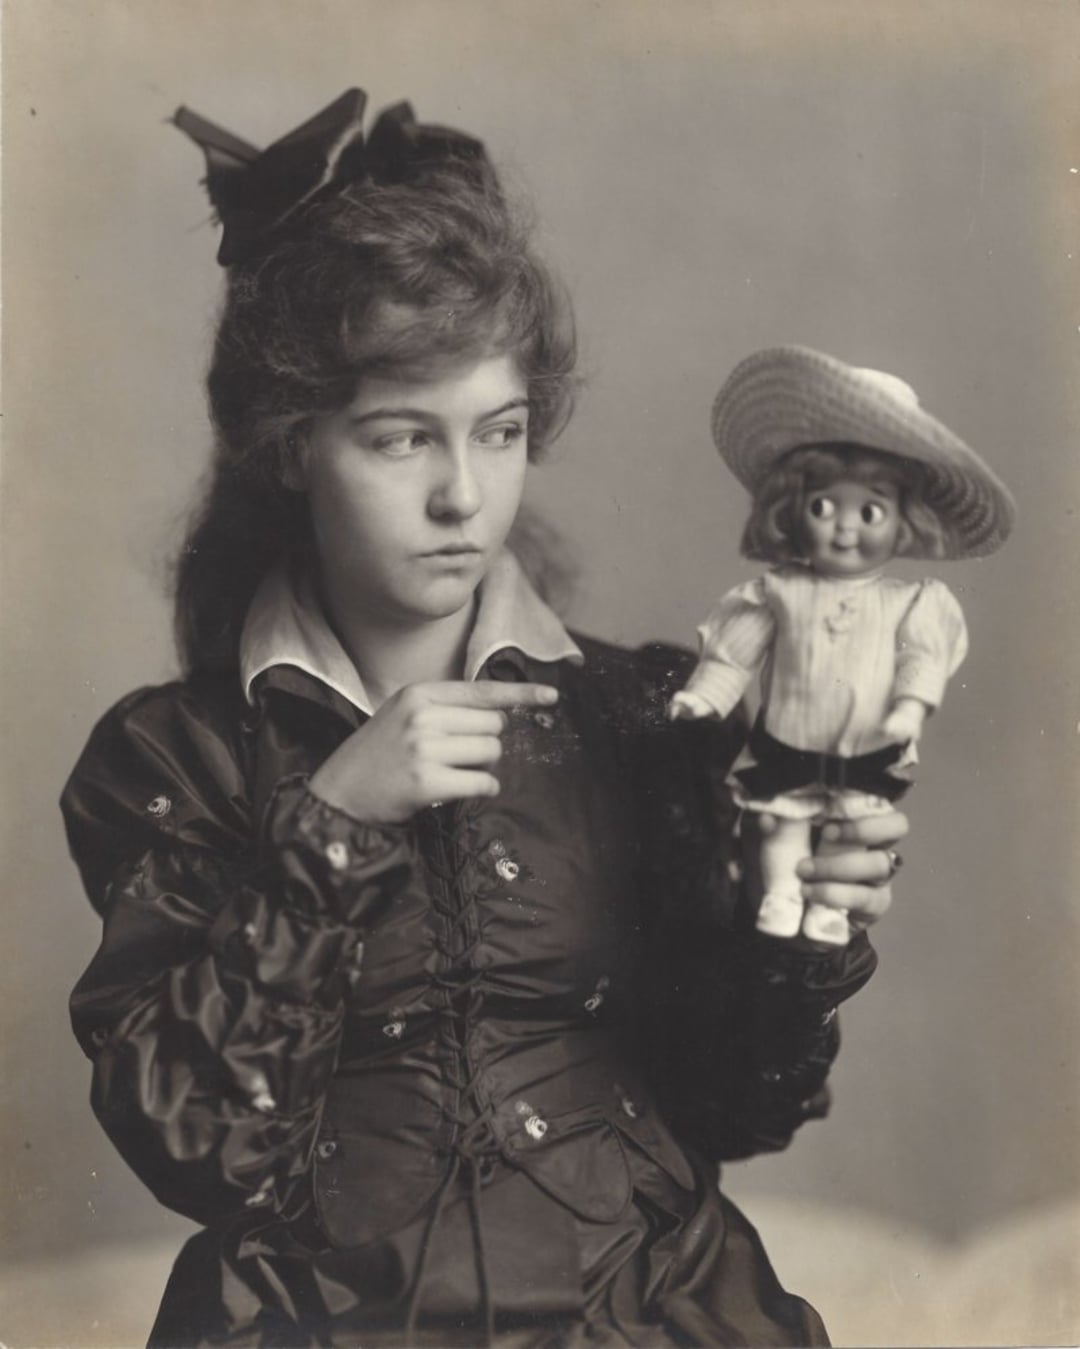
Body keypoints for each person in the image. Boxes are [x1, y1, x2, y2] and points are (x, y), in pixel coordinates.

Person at [62, 91, 908, 1348]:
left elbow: (732, 1104)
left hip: (646, 1310)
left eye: (501, 432)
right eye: (403, 438)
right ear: (295, 445)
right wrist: (333, 819)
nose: (466, 495)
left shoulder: (646, 712)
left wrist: (800, 920)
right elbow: (199, 1144)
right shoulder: (170, 758)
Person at [671, 347, 1014, 946]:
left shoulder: (912, 603)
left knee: (849, 832)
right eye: (824, 506)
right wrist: (706, 695)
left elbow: (924, 655)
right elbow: (734, 652)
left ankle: (827, 910)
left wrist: (912, 703)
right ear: (791, 509)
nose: (845, 527)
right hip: (788, 745)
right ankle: (780, 893)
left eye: (871, 510)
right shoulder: (776, 592)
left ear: (905, 521)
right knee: (779, 827)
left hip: (867, 751)